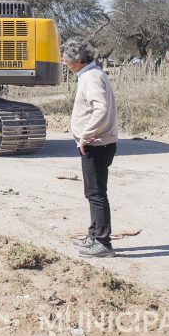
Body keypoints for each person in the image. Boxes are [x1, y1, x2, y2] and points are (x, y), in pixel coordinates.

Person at [61, 38, 119, 258]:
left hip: (96, 144)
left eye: (66, 59)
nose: (63, 62)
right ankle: (94, 235)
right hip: (97, 142)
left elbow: (100, 109)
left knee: (96, 194)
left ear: (77, 60)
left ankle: (103, 243)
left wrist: (86, 135)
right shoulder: (90, 74)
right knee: (92, 192)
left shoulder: (91, 77)